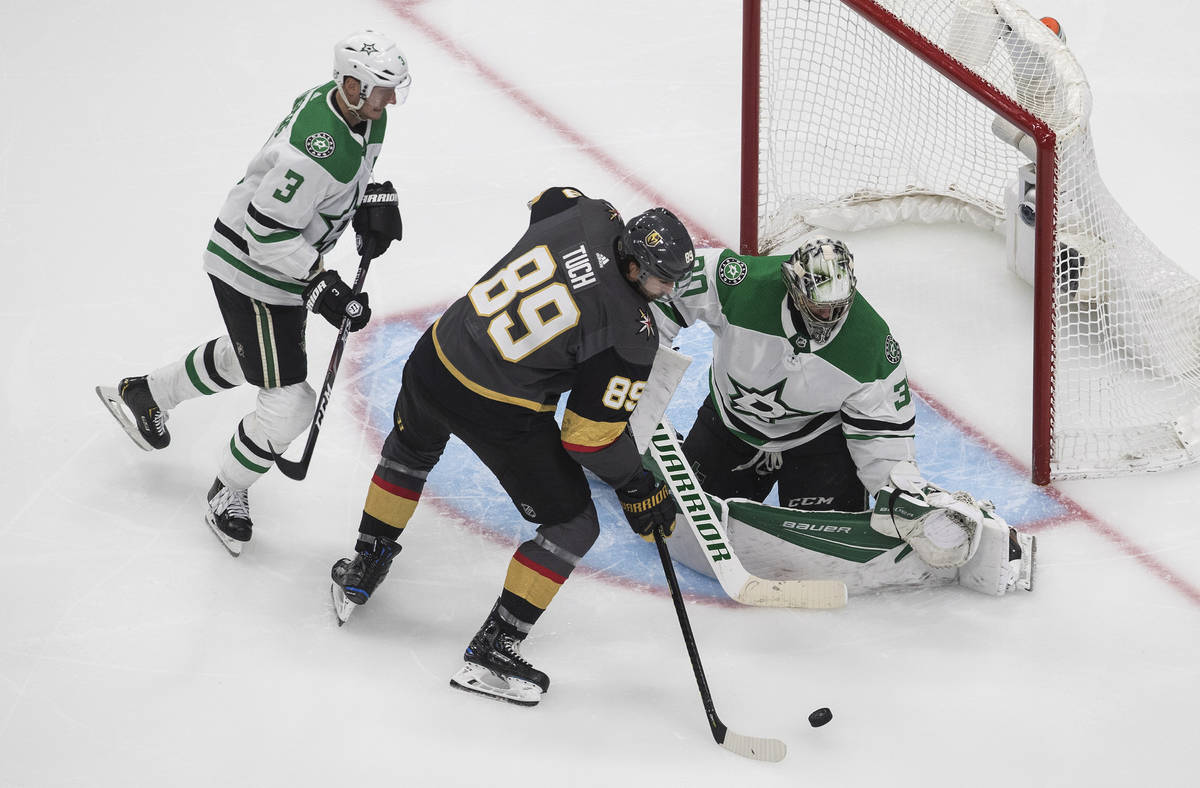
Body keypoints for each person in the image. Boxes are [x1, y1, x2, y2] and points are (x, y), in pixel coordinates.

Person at [329, 186, 693, 706]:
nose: (667, 291)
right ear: (633, 265)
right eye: (661, 279)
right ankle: (494, 649)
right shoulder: (631, 335)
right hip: (496, 405)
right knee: (574, 524)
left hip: (436, 356)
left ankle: (363, 565)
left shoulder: (590, 213)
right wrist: (637, 486)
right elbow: (588, 440)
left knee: (410, 451)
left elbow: (545, 201)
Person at [95, 30, 409, 556]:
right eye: (382, 88)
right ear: (350, 84)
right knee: (289, 403)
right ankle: (228, 491)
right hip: (253, 268)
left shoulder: (361, 114)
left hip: (280, 265)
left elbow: (346, 178)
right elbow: (266, 232)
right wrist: (321, 283)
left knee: (253, 359)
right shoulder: (310, 152)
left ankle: (144, 394)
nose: (391, 99)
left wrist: (370, 200)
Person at [653, 238, 1035, 596]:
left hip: (817, 445)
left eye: (839, 306)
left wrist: (903, 495)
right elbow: (664, 297)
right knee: (678, 509)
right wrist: (637, 373)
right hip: (730, 428)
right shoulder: (740, 281)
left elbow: (885, 444)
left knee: (824, 550)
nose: (830, 316)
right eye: (820, 307)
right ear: (793, 286)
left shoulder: (871, 344)